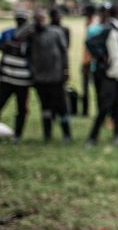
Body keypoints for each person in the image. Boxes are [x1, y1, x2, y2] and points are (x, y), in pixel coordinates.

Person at [17, 9, 71, 142]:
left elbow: (64, 52)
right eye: (38, 19)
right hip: (40, 78)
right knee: (45, 107)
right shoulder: (32, 33)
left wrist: (66, 70)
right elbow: (18, 35)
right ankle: (47, 134)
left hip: (56, 77)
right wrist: (31, 24)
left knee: (62, 107)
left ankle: (67, 134)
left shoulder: (56, 32)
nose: (40, 21)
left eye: (42, 18)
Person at [86, 3, 118, 146]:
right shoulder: (108, 29)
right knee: (105, 107)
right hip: (109, 75)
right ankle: (93, 137)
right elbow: (90, 43)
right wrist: (102, 57)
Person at [0, 9, 32, 141]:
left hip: (23, 79)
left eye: (23, 19)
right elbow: (3, 46)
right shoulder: (8, 33)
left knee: (22, 108)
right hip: (6, 76)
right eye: (19, 19)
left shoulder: (31, 36)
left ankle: (17, 135)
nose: (20, 21)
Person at [80, 4, 100, 117]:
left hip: (91, 61)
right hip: (86, 59)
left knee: (95, 86)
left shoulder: (94, 24)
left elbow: (92, 45)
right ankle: (85, 110)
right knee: (85, 87)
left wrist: (87, 61)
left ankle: (98, 110)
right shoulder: (88, 22)